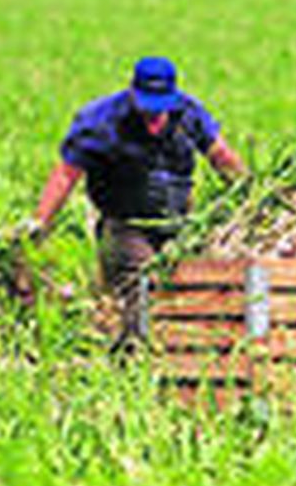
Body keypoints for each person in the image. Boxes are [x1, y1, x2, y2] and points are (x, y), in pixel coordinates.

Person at [19, 57, 245, 346]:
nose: (153, 117)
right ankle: (135, 360)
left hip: (179, 222)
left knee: (186, 288)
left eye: (159, 107)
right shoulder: (100, 121)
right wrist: (40, 221)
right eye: (147, 106)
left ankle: (178, 358)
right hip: (126, 224)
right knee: (141, 287)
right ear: (132, 92)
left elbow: (221, 155)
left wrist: (250, 192)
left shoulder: (188, 114)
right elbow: (66, 173)